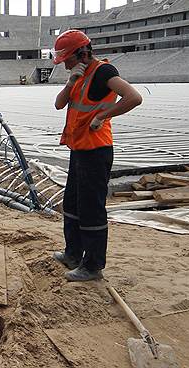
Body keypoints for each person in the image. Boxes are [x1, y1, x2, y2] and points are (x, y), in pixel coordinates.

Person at [50, 29, 142, 281]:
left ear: (81, 53)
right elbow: (59, 104)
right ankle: (73, 254)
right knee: (72, 204)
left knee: (91, 209)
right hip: (79, 149)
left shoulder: (103, 72)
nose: (65, 64)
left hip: (96, 151)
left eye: (67, 58)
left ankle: (92, 266)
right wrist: (70, 82)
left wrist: (102, 116)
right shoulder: (78, 74)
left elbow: (134, 97)